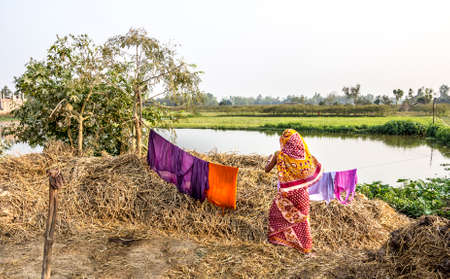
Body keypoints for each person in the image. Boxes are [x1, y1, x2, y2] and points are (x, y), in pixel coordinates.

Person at [264, 129, 323, 254]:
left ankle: (279, 239)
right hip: (302, 194)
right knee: (302, 220)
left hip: (286, 194)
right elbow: (312, 171)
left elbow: (266, 169)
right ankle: (305, 247)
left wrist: (269, 159)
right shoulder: (307, 158)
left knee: (276, 214)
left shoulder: (279, 155)